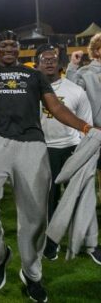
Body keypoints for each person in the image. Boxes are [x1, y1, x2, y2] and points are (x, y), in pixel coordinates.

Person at [0, 31, 96, 303]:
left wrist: (85, 126)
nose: (7, 49)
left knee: (35, 215)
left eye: (12, 45)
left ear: (18, 49)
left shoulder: (34, 75)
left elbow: (55, 107)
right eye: (2, 45)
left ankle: (32, 274)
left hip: (31, 142)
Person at [35, 44, 101, 262]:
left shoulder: (75, 90)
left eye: (53, 58)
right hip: (44, 151)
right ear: (37, 64)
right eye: (44, 59)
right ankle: (51, 243)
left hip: (73, 150)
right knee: (50, 201)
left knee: (83, 198)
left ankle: (90, 244)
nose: (49, 62)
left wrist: (84, 153)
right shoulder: (29, 92)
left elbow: (87, 125)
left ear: (60, 63)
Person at [66, 33, 101, 203]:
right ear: (97, 51)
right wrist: (73, 65)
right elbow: (72, 92)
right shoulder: (85, 72)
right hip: (94, 132)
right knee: (88, 174)